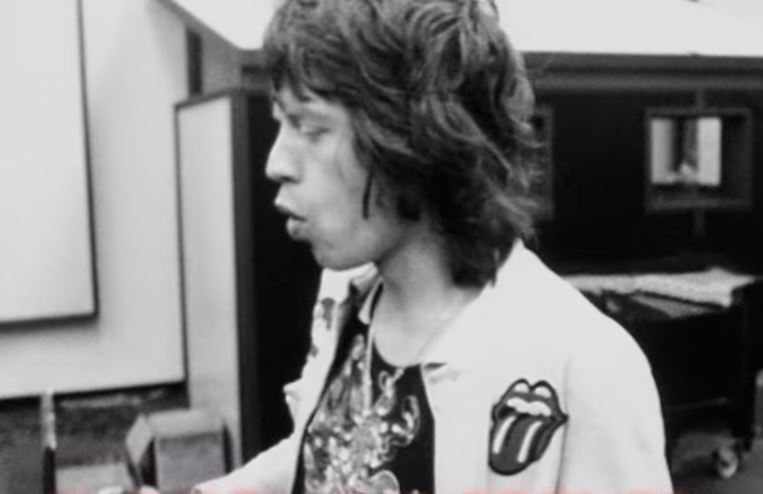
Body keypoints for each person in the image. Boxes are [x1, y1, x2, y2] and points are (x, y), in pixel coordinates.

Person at [195, 0, 673, 493]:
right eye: (281, 122)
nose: (276, 162)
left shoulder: (585, 364)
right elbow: (332, 452)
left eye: (311, 128)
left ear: (416, 138)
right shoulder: (346, 298)